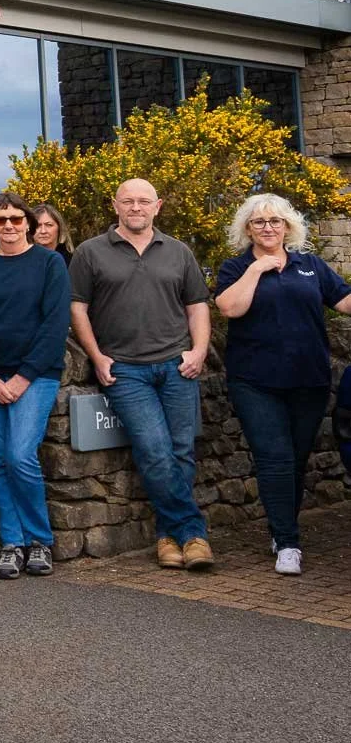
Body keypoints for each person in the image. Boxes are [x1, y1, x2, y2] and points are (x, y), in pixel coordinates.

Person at [70, 179, 214, 571]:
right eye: (128, 201)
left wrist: (199, 351)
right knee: (154, 451)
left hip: (177, 364)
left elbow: (197, 306)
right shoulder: (90, 252)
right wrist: (97, 357)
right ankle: (194, 533)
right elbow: (77, 308)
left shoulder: (178, 251)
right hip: (126, 370)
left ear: (158, 206)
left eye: (144, 201)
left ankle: (169, 536)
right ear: (115, 205)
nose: (136, 207)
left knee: (181, 451)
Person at [214, 193, 351, 576]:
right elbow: (230, 308)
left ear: (288, 226)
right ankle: (288, 543)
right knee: (274, 458)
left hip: (308, 380)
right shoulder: (235, 268)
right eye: (259, 222)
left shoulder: (310, 266)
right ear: (247, 229)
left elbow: (343, 301)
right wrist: (257, 270)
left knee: (296, 459)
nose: (268, 228)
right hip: (256, 381)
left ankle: (281, 528)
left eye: (275, 221)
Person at [0, 192, 70, 579]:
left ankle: (39, 539)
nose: (9, 225)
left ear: (30, 223)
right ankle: (12, 543)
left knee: (21, 455)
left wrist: (22, 378)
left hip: (35, 376)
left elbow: (55, 325)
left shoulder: (50, 263)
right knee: (1, 460)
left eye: (16, 219)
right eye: (1, 220)